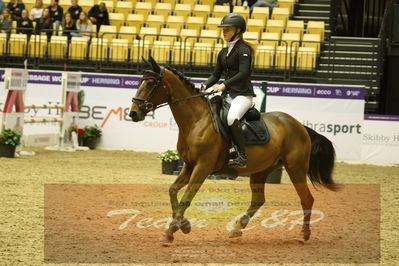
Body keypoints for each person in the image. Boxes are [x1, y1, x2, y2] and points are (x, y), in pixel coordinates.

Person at [201, 13, 256, 168]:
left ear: (238, 30)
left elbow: (243, 73)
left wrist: (224, 85)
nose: (224, 32)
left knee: (232, 118)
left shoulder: (243, 50)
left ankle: (241, 155)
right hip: (228, 95)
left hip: (243, 95)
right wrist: (205, 85)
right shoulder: (223, 52)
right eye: (223, 29)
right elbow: (216, 74)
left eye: (228, 29)